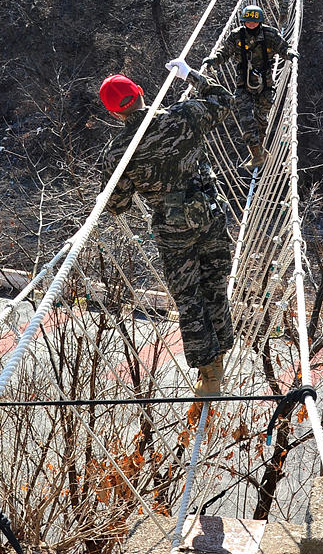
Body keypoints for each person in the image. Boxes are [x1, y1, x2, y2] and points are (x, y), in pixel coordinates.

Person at [99, 61, 236, 394]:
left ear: (115, 114)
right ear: (141, 92)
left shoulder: (118, 150)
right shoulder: (183, 114)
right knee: (214, 284)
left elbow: (116, 205)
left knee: (189, 297)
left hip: (173, 231)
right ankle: (222, 349)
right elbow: (224, 99)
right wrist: (190, 74)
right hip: (209, 215)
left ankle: (209, 372)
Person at [199, 5, 294, 169]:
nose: (251, 24)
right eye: (247, 21)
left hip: (265, 82)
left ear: (260, 21)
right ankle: (256, 154)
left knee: (261, 120)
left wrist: (291, 54)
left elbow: (283, 47)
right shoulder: (237, 36)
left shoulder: (270, 34)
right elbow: (224, 52)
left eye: (254, 21)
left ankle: (260, 149)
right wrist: (213, 59)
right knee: (245, 119)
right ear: (243, 21)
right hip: (243, 82)